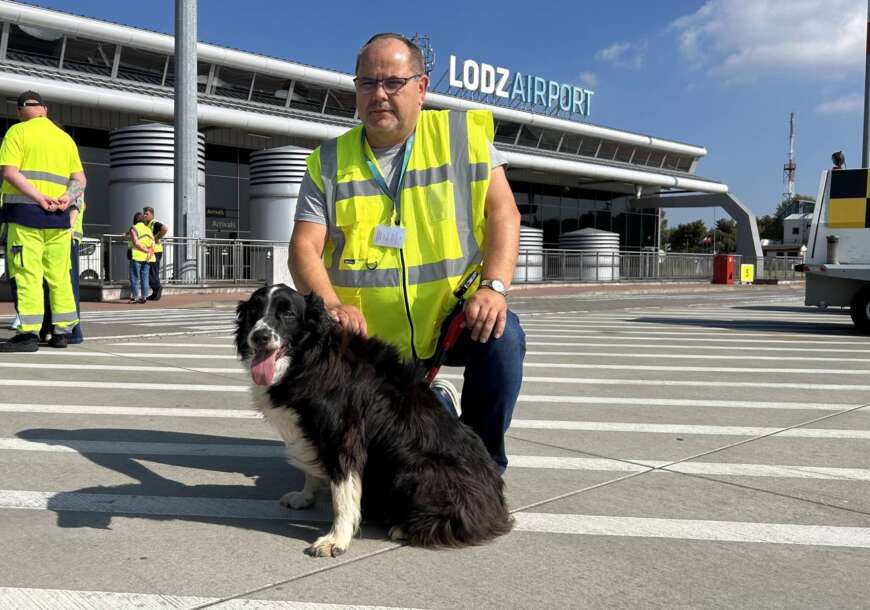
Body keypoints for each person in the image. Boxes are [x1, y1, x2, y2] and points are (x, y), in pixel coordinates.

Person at [290, 33, 525, 472]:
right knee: (384, 471)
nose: (379, 94)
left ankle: (483, 461)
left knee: (503, 335)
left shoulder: (462, 138)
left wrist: (494, 287)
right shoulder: (327, 161)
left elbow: (504, 214)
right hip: (369, 340)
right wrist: (332, 304)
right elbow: (304, 245)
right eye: (367, 83)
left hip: (450, 320)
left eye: (393, 82)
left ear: (422, 87)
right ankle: (429, 400)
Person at [0, 90, 85, 352]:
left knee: (27, 273)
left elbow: (9, 172)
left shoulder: (17, 132)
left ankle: (28, 334)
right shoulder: (65, 139)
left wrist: (39, 198)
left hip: (26, 217)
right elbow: (80, 180)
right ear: (45, 110)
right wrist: (64, 199)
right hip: (59, 219)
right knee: (59, 275)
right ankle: (61, 333)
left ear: (21, 109)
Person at [39, 195, 86, 344]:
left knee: (65, 284)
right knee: (52, 284)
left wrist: (69, 226)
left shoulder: (71, 176)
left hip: (65, 235)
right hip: (54, 234)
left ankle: (71, 332)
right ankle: (50, 328)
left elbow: (77, 203)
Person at [127, 212, 154, 304]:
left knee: (134, 277)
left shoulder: (134, 228)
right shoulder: (148, 229)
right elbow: (152, 243)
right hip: (147, 258)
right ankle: (144, 297)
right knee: (145, 277)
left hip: (137, 256)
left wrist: (145, 250)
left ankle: (134, 297)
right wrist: (149, 251)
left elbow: (136, 242)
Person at [142, 206, 167, 301]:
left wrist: (157, 238)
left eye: (146, 214)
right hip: (151, 251)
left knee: (152, 272)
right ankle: (155, 292)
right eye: (144, 213)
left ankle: (157, 288)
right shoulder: (147, 224)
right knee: (151, 272)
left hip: (156, 251)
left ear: (152, 214)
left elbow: (164, 228)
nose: (144, 215)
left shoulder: (154, 223)